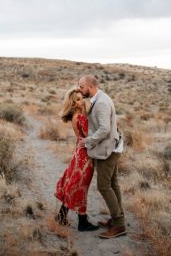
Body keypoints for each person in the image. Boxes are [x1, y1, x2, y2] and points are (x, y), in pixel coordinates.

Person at [78, 75, 126, 239]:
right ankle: (117, 219)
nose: (80, 90)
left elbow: (105, 129)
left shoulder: (102, 102)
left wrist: (87, 141)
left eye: (82, 87)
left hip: (108, 150)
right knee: (113, 183)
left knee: (104, 186)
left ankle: (119, 225)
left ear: (90, 86)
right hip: (112, 146)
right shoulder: (100, 99)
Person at [54, 87, 99, 232]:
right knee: (81, 186)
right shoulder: (80, 117)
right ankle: (82, 222)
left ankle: (62, 215)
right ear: (73, 103)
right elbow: (89, 136)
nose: (82, 101)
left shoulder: (77, 116)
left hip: (79, 152)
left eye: (82, 98)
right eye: (78, 100)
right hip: (85, 155)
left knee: (74, 183)